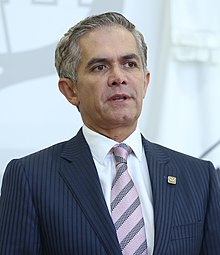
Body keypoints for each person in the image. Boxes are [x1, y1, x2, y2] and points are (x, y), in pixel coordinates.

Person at [0, 12, 219, 255]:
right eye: (100, 67)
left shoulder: (200, 178)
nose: (118, 77)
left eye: (130, 64)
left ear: (145, 82)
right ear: (70, 90)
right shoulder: (30, 178)